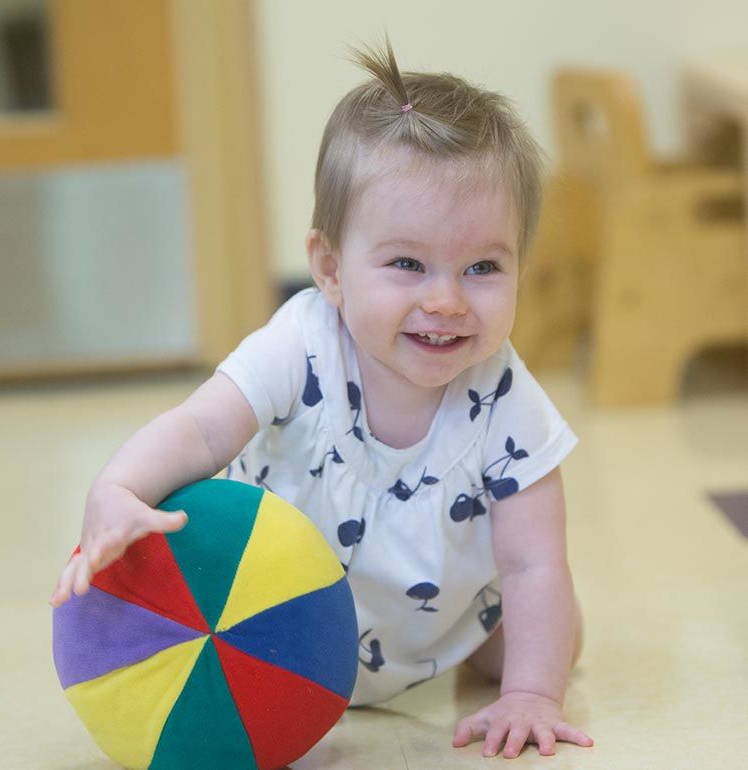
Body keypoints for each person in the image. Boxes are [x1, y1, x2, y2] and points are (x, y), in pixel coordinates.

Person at [50, 39, 593, 760]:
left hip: (446, 621)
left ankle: (501, 655)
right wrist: (118, 487)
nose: (447, 299)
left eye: (483, 267)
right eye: (407, 263)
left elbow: (534, 564)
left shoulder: (505, 395)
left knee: (548, 630)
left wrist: (530, 693)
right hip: (276, 618)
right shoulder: (300, 343)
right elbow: (203, 430)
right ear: (330, 269)